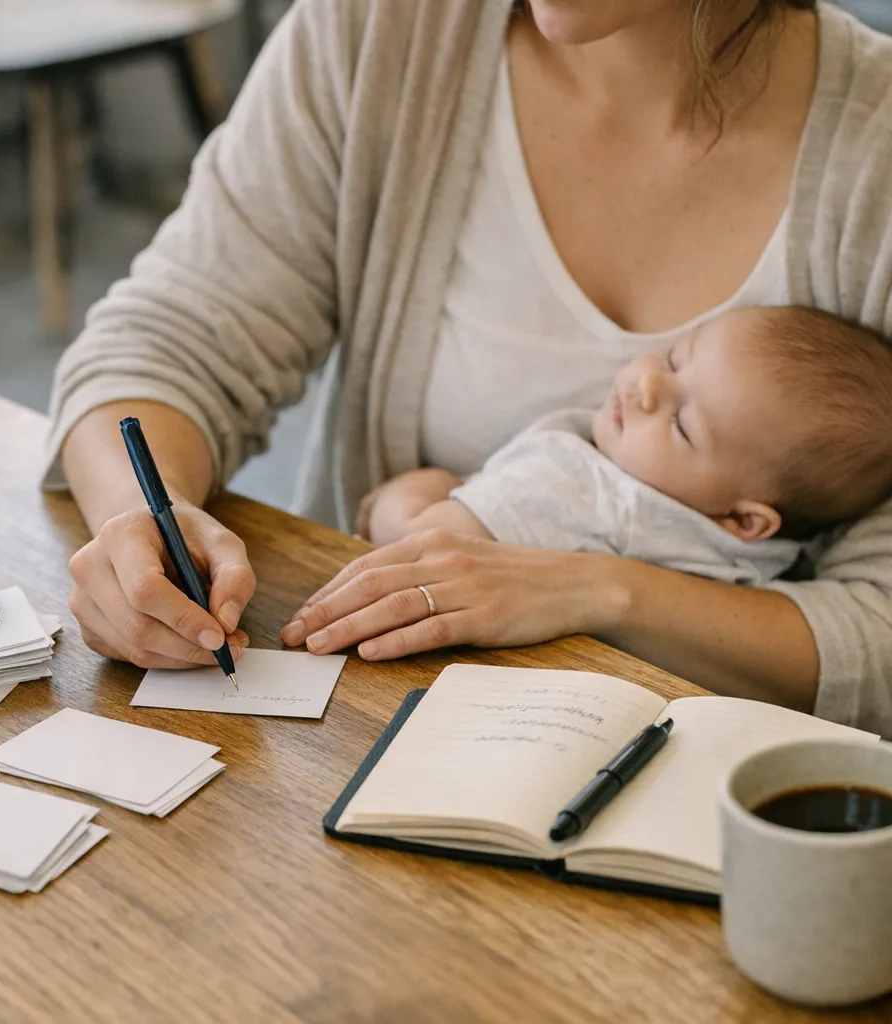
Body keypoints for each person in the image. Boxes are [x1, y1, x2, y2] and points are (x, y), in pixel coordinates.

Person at [47, 0, 892, 735]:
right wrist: (136, 525)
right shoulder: (382, 28)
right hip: (359, 735)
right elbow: (164, 340)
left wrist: (596, 591)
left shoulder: (874, 150)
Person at [360, 307, 892, 594]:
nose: (649, 388)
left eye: (682, 424)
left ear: (743, 519)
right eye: (677, 359)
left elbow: (419, 546)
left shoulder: (581, 488)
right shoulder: (762, 574)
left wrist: (409, 490)